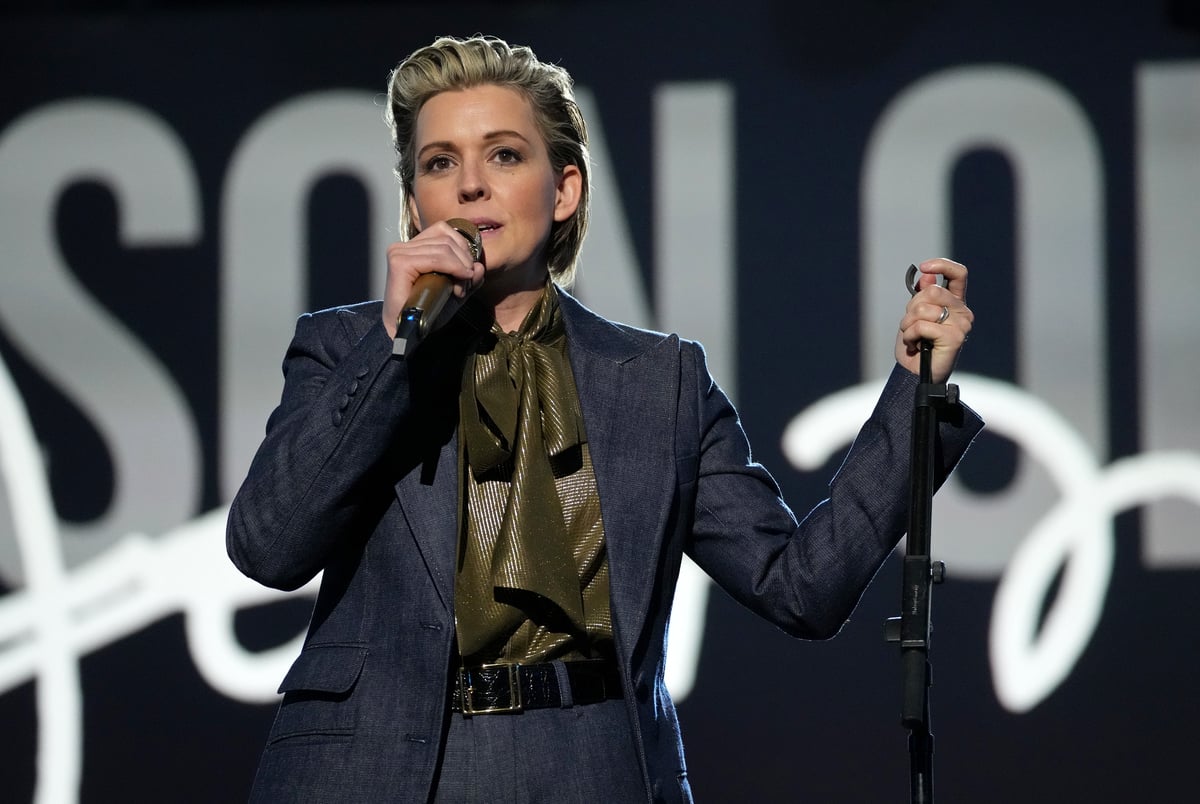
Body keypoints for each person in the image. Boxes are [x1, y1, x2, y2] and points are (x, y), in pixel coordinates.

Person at [226, 34, 981, 804]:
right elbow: (268, 548)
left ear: (565, 190)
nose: (469, 187)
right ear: (415, 201)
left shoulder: (659, 381)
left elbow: (801, 587)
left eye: (505, 155)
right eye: (439, 163)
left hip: (592, 769)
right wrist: (394, 348)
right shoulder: (344, 348)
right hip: (379, 773)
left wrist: (915, 393)